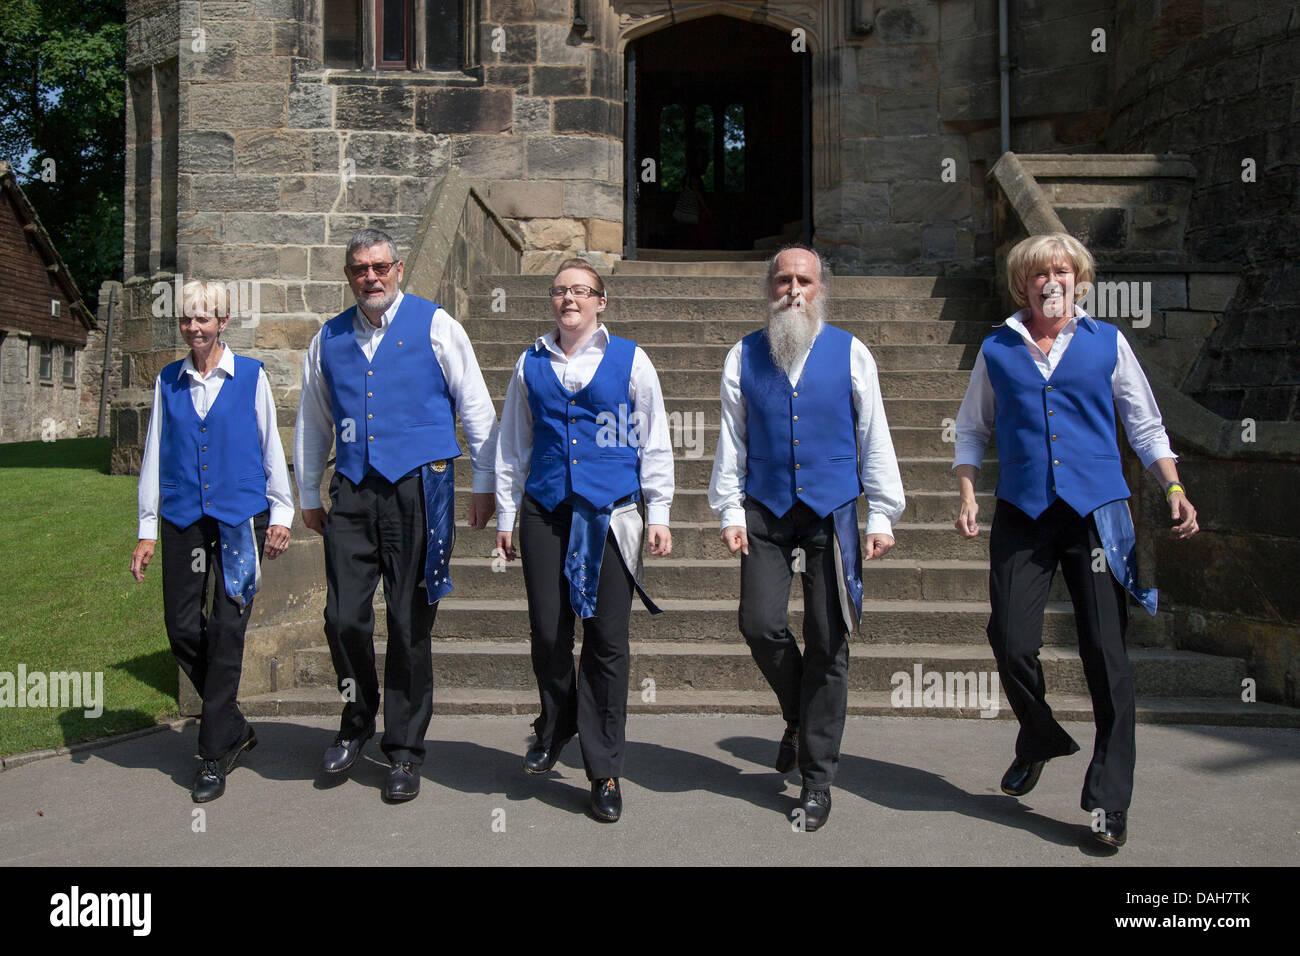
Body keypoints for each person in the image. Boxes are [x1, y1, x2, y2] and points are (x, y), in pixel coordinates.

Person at [952, 232, 1199, 849]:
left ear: (1079, 281)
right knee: (1009, 639)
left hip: (1096, 514)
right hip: (1022, 511)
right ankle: (1039, 735)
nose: (1052, 280)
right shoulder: (998, 347)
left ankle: (1110, 801)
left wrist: (1173, 490)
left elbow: (1143, 424)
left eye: (1062, 271)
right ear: (1024, 284)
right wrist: (967, 492)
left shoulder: (1106, 342)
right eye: (1040, 273)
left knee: (1106, 655)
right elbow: (971, 427)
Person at [294, 228, 499, 803]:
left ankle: (404, 750)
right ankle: (357, 717)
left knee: (410, 625)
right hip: (354, 494)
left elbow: (476, 407)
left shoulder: (436, 326)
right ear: (348, 275)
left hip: (419, 492)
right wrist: (307, 491)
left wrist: (485, 482)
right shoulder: (327, 339)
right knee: (343, 619)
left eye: (380, 267)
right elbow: (313, 420)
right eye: (360, 269)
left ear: (399, 269)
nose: (371, 278)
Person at [708, 244, 905, 831]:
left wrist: (882, 513)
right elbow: (731, 440)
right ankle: (799, 712)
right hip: (765, 505)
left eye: (805, 280)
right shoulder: (743, 355)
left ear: (821, 288)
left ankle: (817, 781)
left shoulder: (851, 353)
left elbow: (875, 435)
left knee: (828, 638)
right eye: (783, 280)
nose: (794, 290)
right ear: (768, 288)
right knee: (759, 622)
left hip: (832, 509)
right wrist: (729, 510)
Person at [494, 258, 673, 823]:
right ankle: (557, 719)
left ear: (601, 301)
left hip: (611, 513)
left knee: (606, 640)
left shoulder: (631, 360)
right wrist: (505, 513)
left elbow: (654, 438)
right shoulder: (529, 362)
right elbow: (512, 444)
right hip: (546, 510)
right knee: (548, 630)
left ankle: (604, 768)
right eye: (559, 290)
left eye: (580, 290)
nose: (568, 298)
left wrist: (660, 509)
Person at [131, 279, 294, 803]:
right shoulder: (168, 381)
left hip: (237, 520)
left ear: (223, 322)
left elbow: (271, 444)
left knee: (228, 626)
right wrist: (146, 528)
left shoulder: (250, 376)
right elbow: (154, 454)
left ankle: (211, 752)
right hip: (182, 518)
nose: (193, 327)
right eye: (186, 318)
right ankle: (232, 723)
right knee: (181, 626)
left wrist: (282, 512)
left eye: (203, 318)